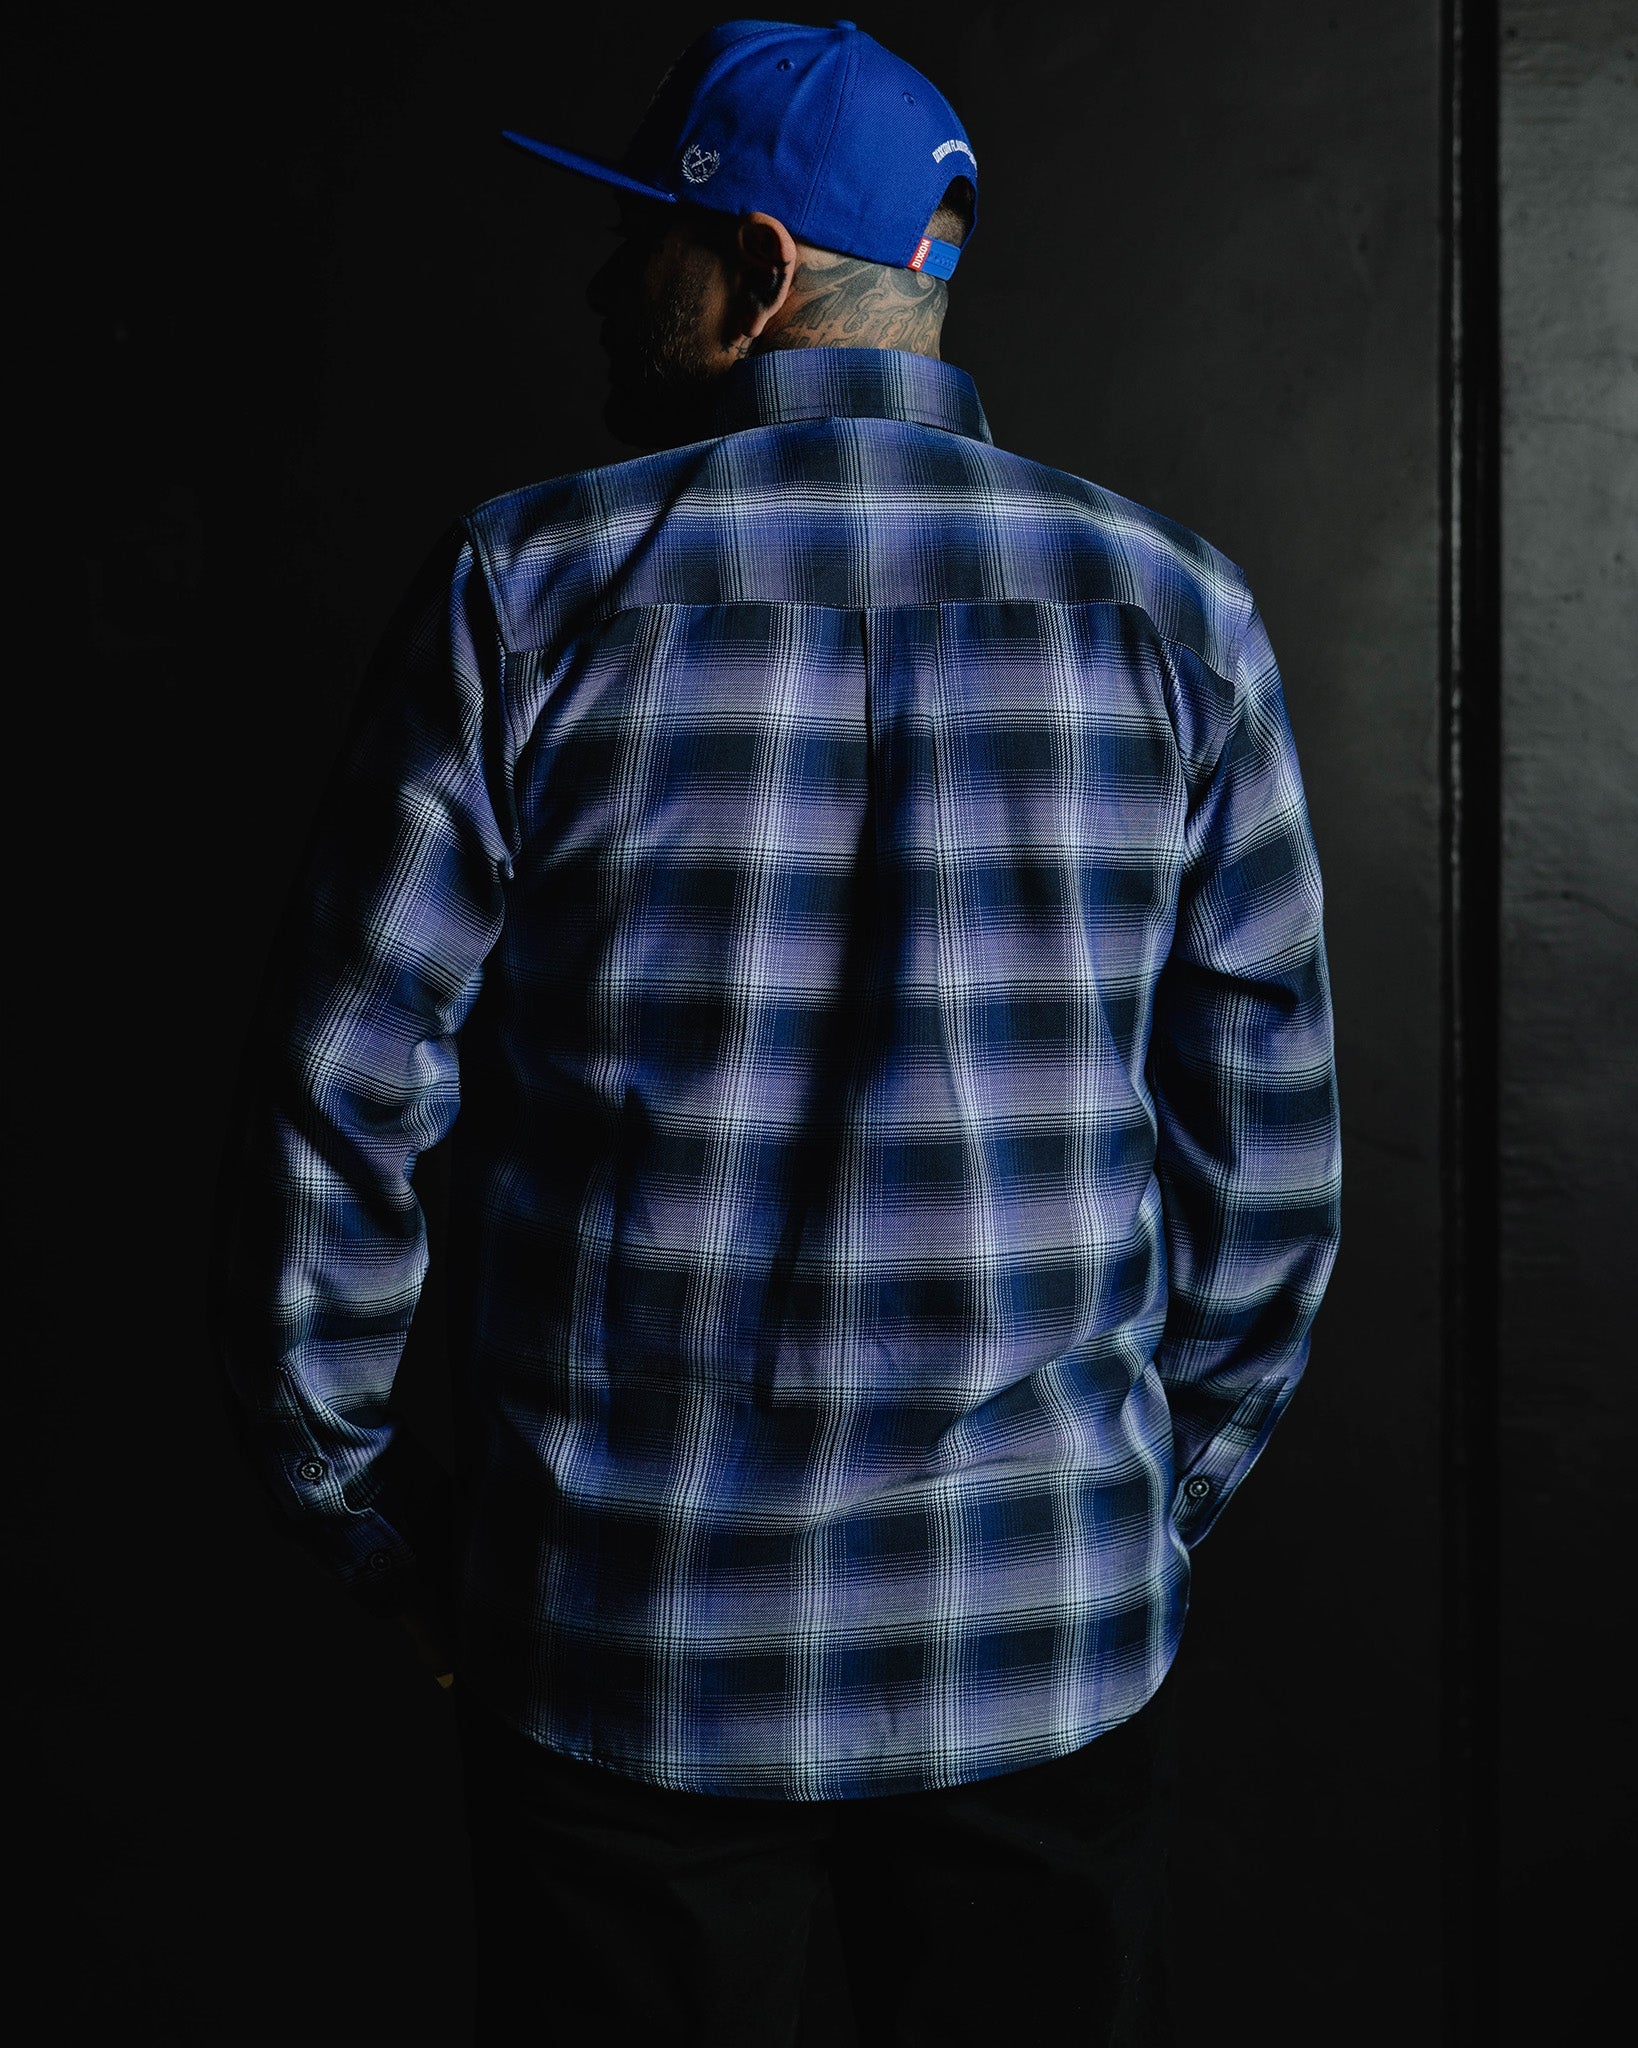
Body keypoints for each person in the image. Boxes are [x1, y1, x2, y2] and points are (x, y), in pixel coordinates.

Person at [215, 18, 1342, 2045]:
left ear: (748, 273)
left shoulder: (524, 595)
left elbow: (344, 1103)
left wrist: (369, 1512)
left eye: (639, 239)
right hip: (1045, 1638)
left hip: (626, 1643)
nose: (602, 284)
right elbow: (1268, 1171)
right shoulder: (1179, 614)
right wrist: (1124, 1510)